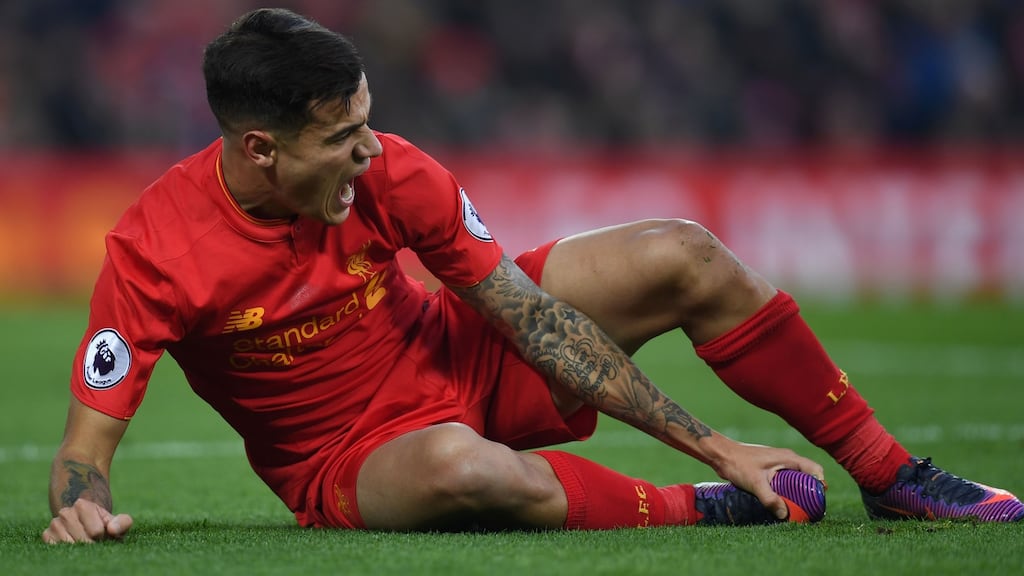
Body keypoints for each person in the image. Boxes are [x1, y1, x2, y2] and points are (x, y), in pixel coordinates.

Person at [42, 8, 1022, 544]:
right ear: (259, 149)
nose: (364, 150)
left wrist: (713, 439)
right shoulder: (156, 251)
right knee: (461, 468)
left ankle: (890, 476)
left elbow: (528, 316)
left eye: (365, 120)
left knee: (680, 250)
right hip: (352, 460)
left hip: (464, 360)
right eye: (338, 138)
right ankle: (702, 515)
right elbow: (88, 446)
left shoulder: (387, 168)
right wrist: (79, 501)